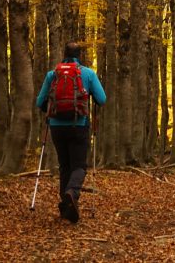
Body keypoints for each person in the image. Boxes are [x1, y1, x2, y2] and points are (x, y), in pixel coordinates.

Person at [35, 41, 106, 223]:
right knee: (79, 166)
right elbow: (102, 98)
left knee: (64, 165)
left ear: (64, 54)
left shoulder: (53, 75)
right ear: (79, 55)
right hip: (78, 125)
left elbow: (40, 102)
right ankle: (71, 193)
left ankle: (65, 205)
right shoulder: (88, 73)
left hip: (57, 127)